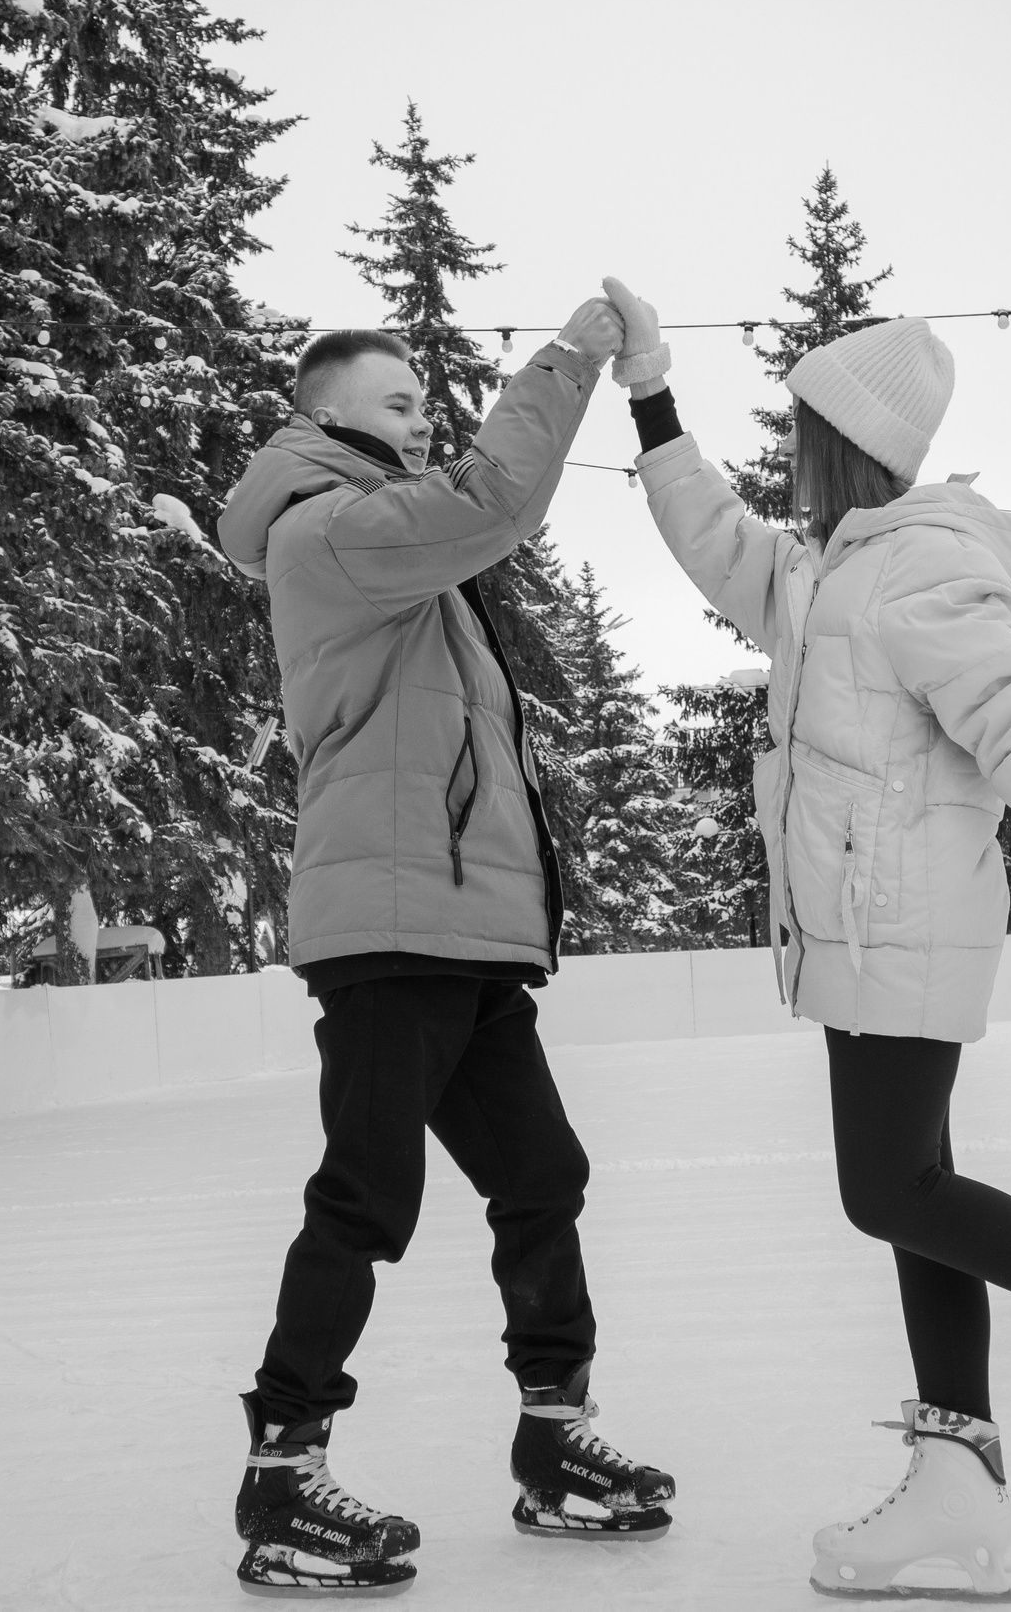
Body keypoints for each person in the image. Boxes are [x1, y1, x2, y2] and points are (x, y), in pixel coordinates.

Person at [598, 279, 1011, 1603]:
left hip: (898, 923)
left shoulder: (920, 567)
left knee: (890, 1191)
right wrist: (652, 394)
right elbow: (708, 535)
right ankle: (956, 1492)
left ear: (843, 440)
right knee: (918, 1196)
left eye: (803, 428)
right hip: (864, 930)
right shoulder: (821, 573)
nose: (788, 450)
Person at [213, 303, 676, 1598]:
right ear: (323, 414)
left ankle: (554, 1436)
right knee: (367, 1196)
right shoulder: (327, 529)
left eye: (425, 402)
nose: (422, 421)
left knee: (541, 1175)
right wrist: (573, 359)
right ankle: (283, 1473)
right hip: (388, 930)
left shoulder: (383, 537)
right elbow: (494, 499)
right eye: (400, 402)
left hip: (460, 931)